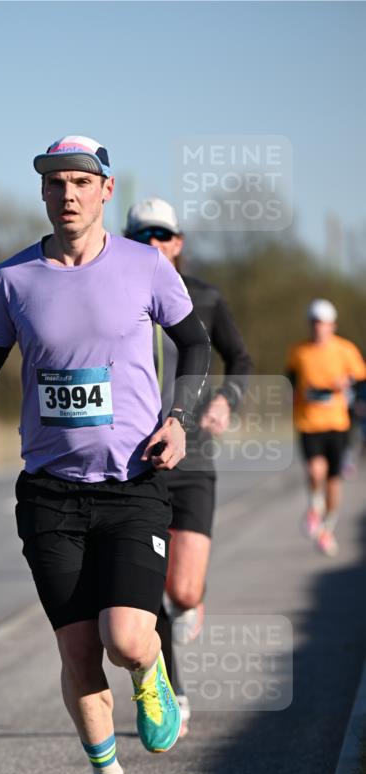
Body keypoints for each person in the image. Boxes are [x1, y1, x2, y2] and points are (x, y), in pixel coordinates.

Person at [0, 136, 211, 774]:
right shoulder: (13, 278)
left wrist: (178, 418)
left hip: (131, 482)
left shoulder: (143, 267)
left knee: (125, 639)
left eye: (79, 182)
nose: (66, 194)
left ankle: (151, 672)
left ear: (105, 190)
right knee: (75, 651)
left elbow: (195, 342)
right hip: (49, 491)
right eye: (54, 183)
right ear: (41, 193)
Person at [124, 198, 253, 736]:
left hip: (193, 453)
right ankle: (170, 689)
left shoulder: (203, 296)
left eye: (164, 235)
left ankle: (190, 604)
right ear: (129, 239)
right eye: (142, 234)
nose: (154, 243)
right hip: (135, 461)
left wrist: (227, 400)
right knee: (148, 586)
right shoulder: (113, 292)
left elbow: (239, 358)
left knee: (182, 591)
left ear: (178, 243)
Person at [286, 298, 366, 556]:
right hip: (309, 423)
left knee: (333, 481)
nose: (319, 329)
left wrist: (348, 381)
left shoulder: (345, 350)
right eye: (315, 324)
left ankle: (327, 529)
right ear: (310, 325)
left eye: (324, 324)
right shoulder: (299, 351)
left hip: (337, 424)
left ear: (333, 326)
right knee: (314, 471)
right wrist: (293, 393)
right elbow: (290, 380)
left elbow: (360, 376)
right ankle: (314, 509)